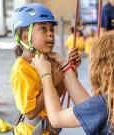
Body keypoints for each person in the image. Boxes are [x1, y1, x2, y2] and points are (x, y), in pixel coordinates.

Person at [10, 3, 73, 135]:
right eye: (43, 29)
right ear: (25, 38)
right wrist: (51, 81)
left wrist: (69, 68)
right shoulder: (21, 70)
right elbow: (30, 113)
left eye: (52, 30)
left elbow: (57, 94)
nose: (50, 34)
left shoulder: (47, 62)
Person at [32, 34, 114, 134]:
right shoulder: (106, 101)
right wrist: (65, 66)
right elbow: (89, 107)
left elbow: (56, 119)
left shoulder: (103, 103)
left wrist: (45, 75)